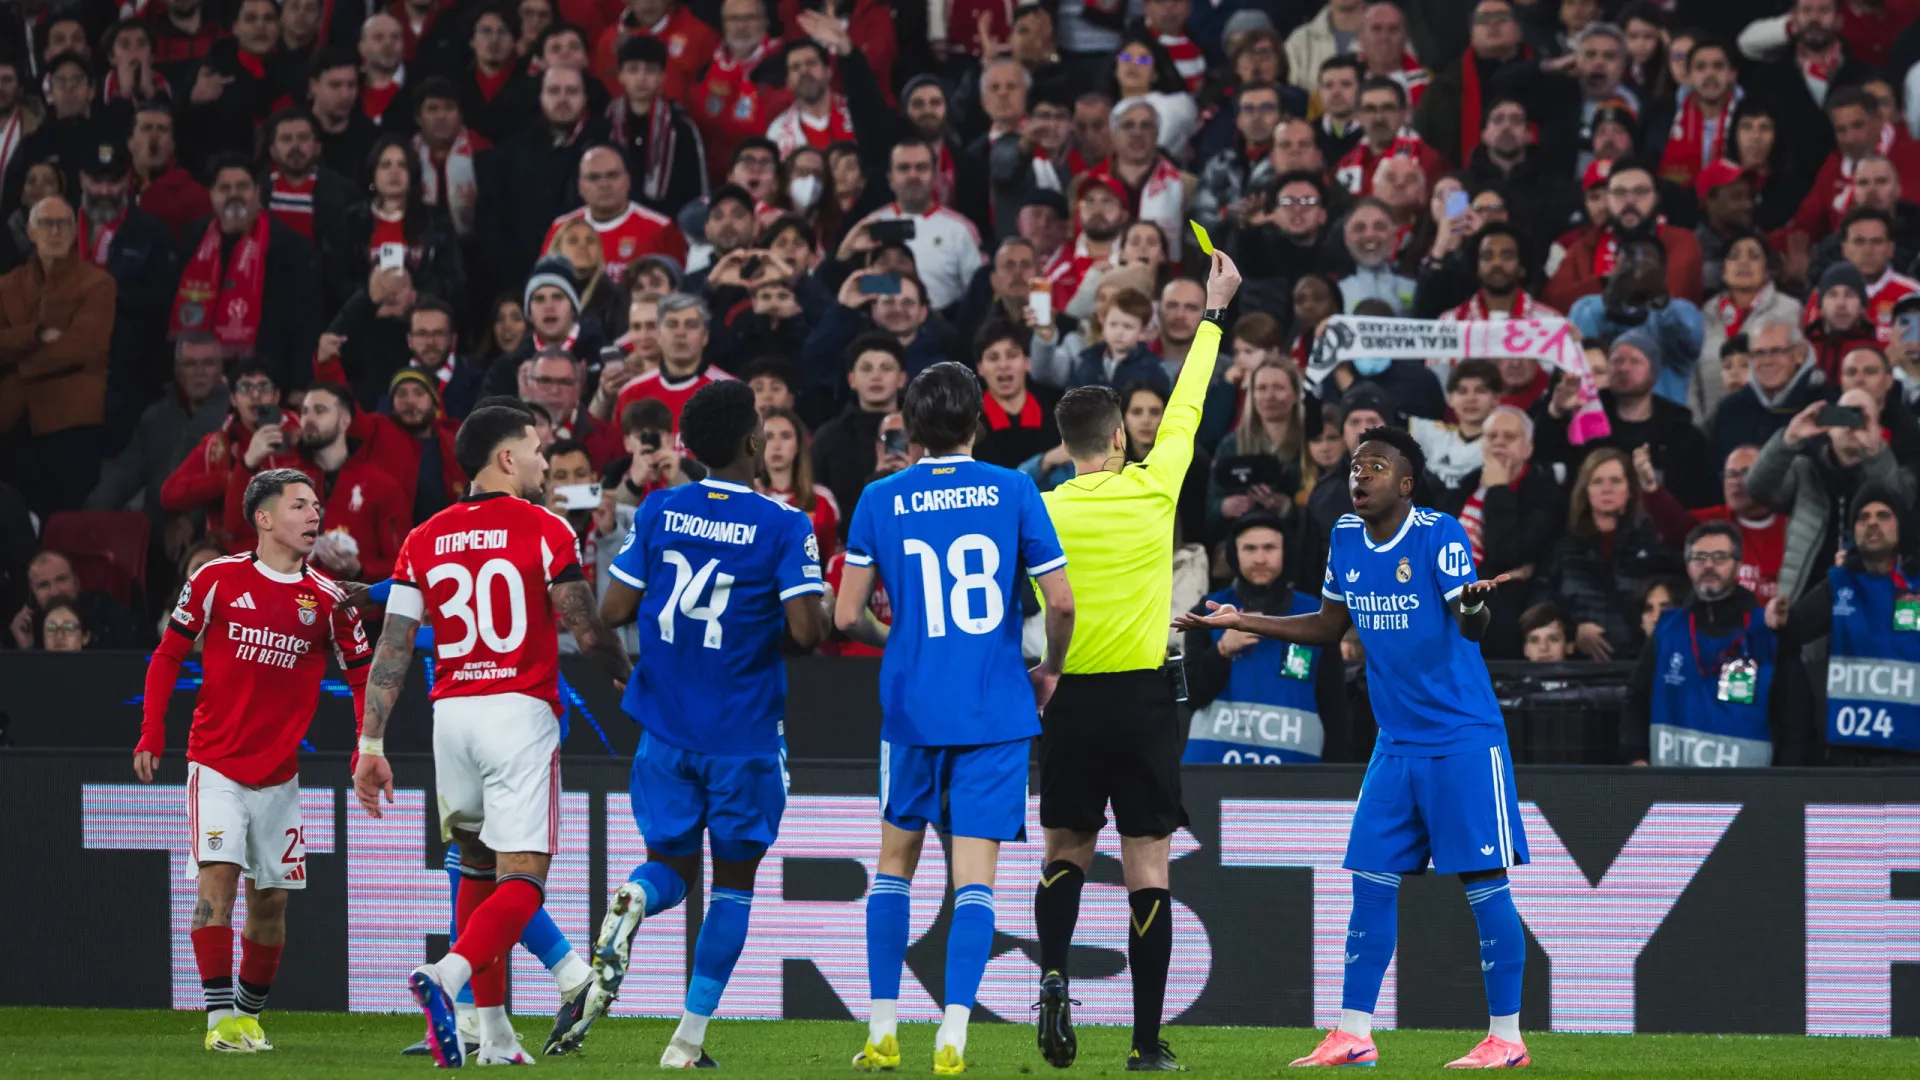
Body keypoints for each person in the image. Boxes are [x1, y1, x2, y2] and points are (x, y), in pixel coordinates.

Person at [1175, 424, 1531, 1069]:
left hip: (1461, 740)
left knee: (1484, 886)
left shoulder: (1438, 534)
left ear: (1406, 481)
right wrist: (1241, 618)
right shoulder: (1343, 535)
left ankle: (1505, 1038)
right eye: (1355, 464)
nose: (1360, 474)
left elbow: (1470, 621)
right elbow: (1329, 624)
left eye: (1375, 465)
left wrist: (1478, 607)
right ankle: (1354, 1033)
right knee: (1369, 882)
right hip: (1395, 745)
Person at [351, 404, 631, 1068]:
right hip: (518, 711)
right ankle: (447, 979)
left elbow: (392, 650)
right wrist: (629, 679)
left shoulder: (424, 537)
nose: (542, 462)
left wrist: (370, 745)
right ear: (506, 459)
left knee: (476, 870)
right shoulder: (544, 528)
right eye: (534, 450)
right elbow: (588, 631)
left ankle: (496, 1034)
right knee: (523, 880)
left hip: (452, 716)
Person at [568, 381, 826, 1065]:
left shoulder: (658, 509)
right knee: (733, 885)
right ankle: (686, 1041)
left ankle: (634, 896)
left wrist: (634, 665)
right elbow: (808, 630)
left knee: (672, 870)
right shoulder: (783, 524)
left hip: (665, 731)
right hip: (741, 734)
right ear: (752, 444)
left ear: (687, 448)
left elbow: (614, 607)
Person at [829, 362, 1072, 1075]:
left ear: (909, 422)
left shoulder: (880, 497)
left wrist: (893, 640)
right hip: (995, 708)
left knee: (894, 869)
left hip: (910, 709)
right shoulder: (1015, 489)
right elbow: (1059, 603)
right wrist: (1050, 670)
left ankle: (881, 1027)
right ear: (978, 420)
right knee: (975, 880)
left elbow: (845, 615)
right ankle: (955, 1034)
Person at [1029, 250, 1239, 1073]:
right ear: (1119, 437)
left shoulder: (1041, 512)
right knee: (1146, 862)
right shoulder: (1155, 489)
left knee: (1065, 853)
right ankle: (1147, 1044)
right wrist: (1213, 308)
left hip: (1071, 696)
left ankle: (1051, 975)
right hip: (1149, 701)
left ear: (1065, 444)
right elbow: (1188, 401)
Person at [133, 469, 372, 1053]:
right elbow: (168, 655)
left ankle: (248, 1016)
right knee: (218, 881)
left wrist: (369, 745)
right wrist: (150, 731)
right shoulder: (216, 578)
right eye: (299, 506)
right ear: (263, 518)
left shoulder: (331, 598)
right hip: (214, 764)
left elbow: (363, 676)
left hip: (280, 776)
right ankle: (219, 1023)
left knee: (271, 902)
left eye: (317, 505)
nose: (314, 516)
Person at [1622, 521, 1797, 767]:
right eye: (1699, 557)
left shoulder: (1765, 630)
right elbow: (1636, 699)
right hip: (1671, 792)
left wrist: (1785, 783)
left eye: (1719, 557)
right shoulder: (1667, 629)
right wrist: (1635, 757)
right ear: (1687, 565)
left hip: (1749, 793)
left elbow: (1794, 716)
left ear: (1737, 564)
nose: (1708, 565)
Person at [1767, 484, 1920, 764]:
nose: (1872, 522)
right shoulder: (1838, 584)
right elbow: (1791, 630)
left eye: (1883, 515)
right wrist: (1776, 620)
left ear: (1901, 527)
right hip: (1849, 755)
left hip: (1912, 754)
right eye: (1863, 517)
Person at [1183, 512, 1350, 764]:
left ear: (1285, 552)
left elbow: (1335, 706)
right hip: (1214, 774)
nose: (1260, 558)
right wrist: (1222, 651)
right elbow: (1191, 696)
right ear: (1234, 554)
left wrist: (1335, 781)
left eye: (1269, 548)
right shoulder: (1207, 610)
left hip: (1296, 777)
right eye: (1249, 548)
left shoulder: (1317, 617)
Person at [0, 194, 116, 516]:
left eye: (63, 223)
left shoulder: (97, 284)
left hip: (70, 421)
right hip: (11, 422)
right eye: (46, 224)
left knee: (64, 521)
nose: (55, 232)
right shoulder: (6, 286)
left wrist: (16, 361)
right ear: (30, 230)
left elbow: (83, 347)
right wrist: (34, 334)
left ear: (75, 229)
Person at [1747, 388, 1918, 602]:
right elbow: (1757, 488)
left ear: (1879, 429)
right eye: (1843, 415)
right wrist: (1788, 440)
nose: (1851, 425)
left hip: (1867, 605)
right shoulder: (1805, 472)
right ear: (1828, 427)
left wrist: (1877, 453)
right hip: (1803, 601)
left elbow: (1900, 505)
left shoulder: (1896, 474)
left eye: (1861, 418)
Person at [171, 155, 324, 391]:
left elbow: (304, 323)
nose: (234, 194)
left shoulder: (290, 246)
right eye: (225, 187)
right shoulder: (193, 239)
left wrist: (300, 385)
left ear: (258, 192)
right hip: (202, 384)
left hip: (267, 382)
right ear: (211, 195)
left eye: (242, 186)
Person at [1537, 447, 1681, 662]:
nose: (1607, 489)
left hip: (1643, 663)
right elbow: (1541, 601)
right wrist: (1573, 629)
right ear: (1585, 490)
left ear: (1630, 489)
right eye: (1597, 482)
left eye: (1615, 481)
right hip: (1579, 665)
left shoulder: (1653, 543)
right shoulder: (1563, 548)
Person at [755, 406, 838, 559]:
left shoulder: (822, 499)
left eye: (785, 436)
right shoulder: (748, 498)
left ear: (799, 445)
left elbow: (831, 561)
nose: (776, 445)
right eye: (768, 437)